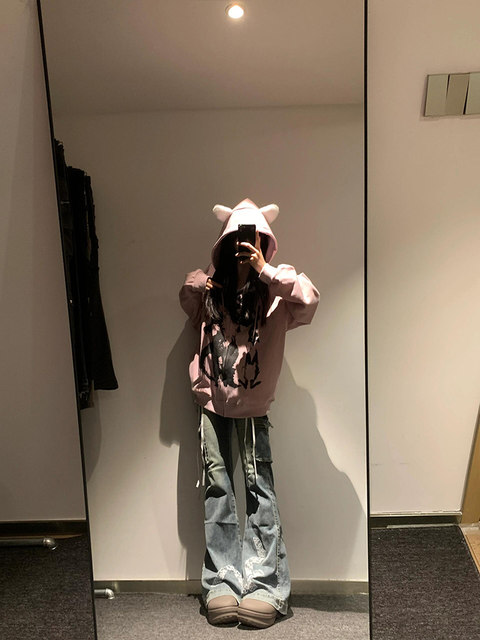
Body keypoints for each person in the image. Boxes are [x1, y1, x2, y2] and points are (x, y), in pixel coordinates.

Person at [179, 198, 319, 628]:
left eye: (254, 239)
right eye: (236, 239)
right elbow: (186, 296)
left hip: (254, 407)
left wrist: (265, 270)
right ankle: (222, 580)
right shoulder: (212, 290)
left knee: (260, 491)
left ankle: (264, 585)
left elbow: (309, 302)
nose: (244, 246)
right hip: (211, 404)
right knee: (217, 490)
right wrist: (205, 280)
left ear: (264, 243)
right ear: (223, 244)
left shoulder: (276, 291)